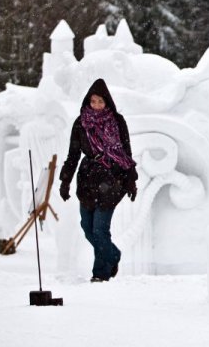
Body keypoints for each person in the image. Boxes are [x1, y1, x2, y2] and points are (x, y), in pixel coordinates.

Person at [59, 78, 138, 282]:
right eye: (93, 101)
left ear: (107, 102)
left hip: (112, 178)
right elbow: (73, 154)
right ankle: (113, 255)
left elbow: (126, 152)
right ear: (88, 101)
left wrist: (130, 180)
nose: (96, 106)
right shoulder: (80, 123)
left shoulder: (117, 121)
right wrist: (65, 181)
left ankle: (100, 273)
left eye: (100, 102)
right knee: (87, 227)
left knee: (100, 229)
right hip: (88, 179)